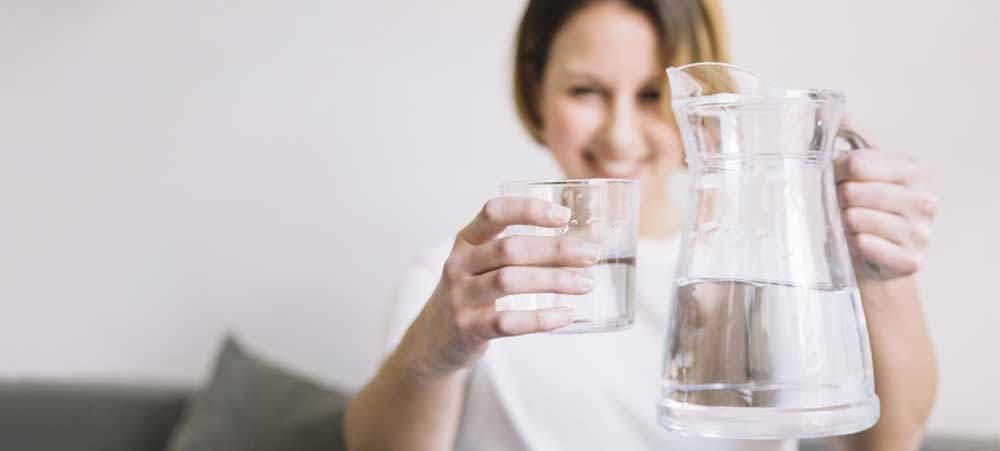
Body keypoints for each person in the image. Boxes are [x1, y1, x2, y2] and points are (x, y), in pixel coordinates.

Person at [344, 1, 939, 450]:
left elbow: (889, 439)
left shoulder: (767, 270)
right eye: (586, 91)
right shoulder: (467, 285)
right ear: (535, 87)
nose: (621, 135)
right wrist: (433, 350)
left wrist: (877, 268)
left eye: (653, 94)